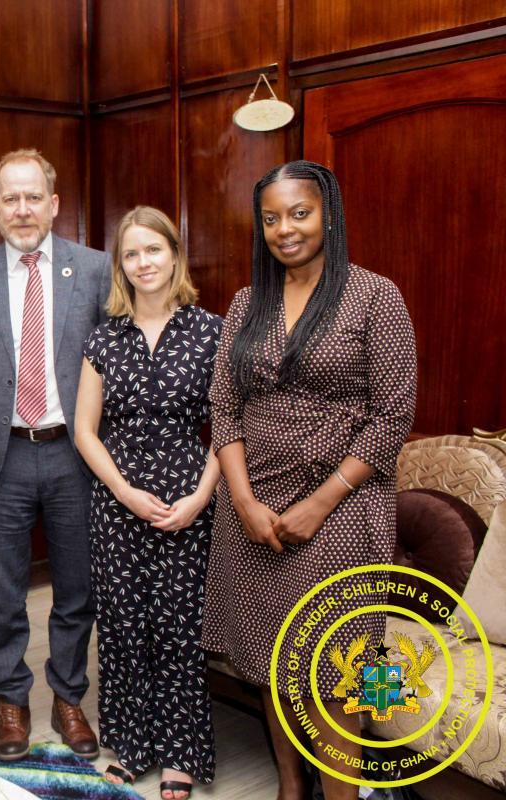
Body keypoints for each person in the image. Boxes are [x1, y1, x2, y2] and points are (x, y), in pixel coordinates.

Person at [203, 161, 416, 800]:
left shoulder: (375, 296)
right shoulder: (247, 302)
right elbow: (224, 408)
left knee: (336, 670)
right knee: (272, 659)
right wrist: (243, 500)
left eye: (300, 213)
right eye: (271, 218)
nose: (285, 229)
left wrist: (320, 504)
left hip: (342, 508)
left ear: (329, 214)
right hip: (252, 509)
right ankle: (291, 789)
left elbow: (393, 415)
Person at [0, 149, 110, 761]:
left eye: (33, 197)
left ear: (54, 204)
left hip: (75, 452)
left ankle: (68, 697)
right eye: (10, 199)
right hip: (3, 455)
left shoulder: (95, 270)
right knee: (5, 591)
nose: (22, 209)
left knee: (76, 587)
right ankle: (11, 701)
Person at [74, 207, 220, 800]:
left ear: (175, 254)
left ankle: (181, 753)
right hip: (118, 503)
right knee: (124, 627)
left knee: (180, 628)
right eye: (131, 254)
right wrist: (124, 491)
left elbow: (229, 430)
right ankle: (132, 747)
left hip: (189, 502)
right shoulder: (104, 338)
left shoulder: (212, 332)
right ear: (121, 266)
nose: (143, 263)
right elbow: (86, 431)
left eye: (153, 250)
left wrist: (200, 498)